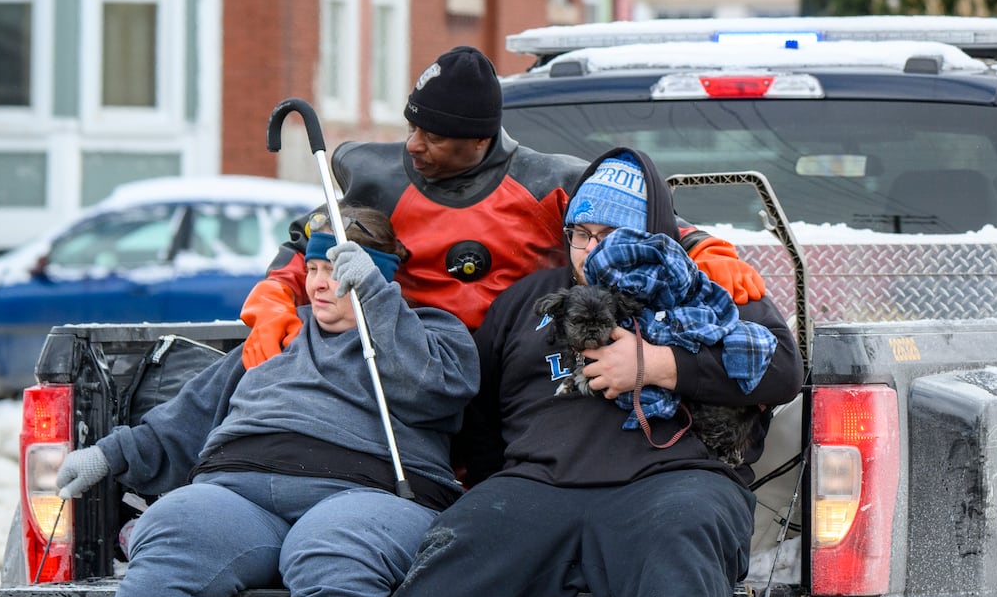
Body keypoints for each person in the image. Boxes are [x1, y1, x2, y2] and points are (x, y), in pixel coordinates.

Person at [299, 149, 803, 597]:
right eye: (580, 235)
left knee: (686, 526)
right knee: (473, 530)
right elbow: (476, 419)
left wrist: (659, 364)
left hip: (671, 475)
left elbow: (781, 367)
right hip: (538, 485)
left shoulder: (696, 289)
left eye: (610, 235)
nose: (591, 250)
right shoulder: (524, 302)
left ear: (651, 234)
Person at [52, 206, 479, 597]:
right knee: (177, 523)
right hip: (239, 490)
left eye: (342, 268)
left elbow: (439, 388)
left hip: (367, 494)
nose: (324, 281)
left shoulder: (430, 333)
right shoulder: (279, 333)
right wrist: (108, 455)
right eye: (316, 266)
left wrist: (378, 302)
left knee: (331, 545)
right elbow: (187, 418)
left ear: (377, 273)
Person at [239, 45, 766, 365]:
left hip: (524, 374)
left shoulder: (547, 183)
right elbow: (306, 248)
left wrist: (707, 250)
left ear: (478, 140)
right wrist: (272, 302)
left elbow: (648, 226)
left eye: (434, 136)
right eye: (412, 128)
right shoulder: (372, 176)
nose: (414, 145)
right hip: (406, 373)